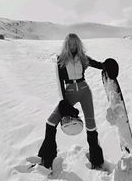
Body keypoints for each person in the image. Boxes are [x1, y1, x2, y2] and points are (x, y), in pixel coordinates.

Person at [37, 33, 105, 170]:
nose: (73, 47)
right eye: (70, 44)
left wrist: (108, 65)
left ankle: (96, 160)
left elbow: (99, 65)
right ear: (66, 45)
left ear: (78, 45)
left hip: (85, 91)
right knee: (50, 123)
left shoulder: (83, 58)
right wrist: (63, 101)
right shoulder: (60, 60)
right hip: (69, 94)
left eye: (75, 44)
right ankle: (47, 158)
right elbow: (59, 83)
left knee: (91, 125)